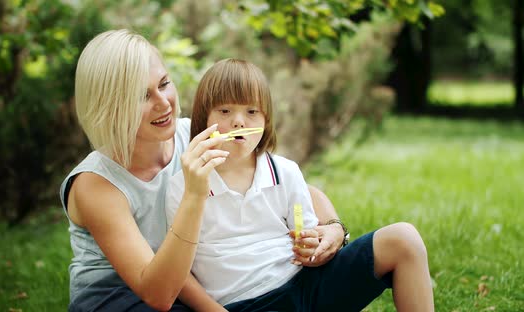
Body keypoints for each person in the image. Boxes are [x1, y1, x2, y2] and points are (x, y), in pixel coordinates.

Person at [59, 29, 344, 312]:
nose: (163, 103)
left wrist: (333, 229)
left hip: (186, 282)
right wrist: (195, 194)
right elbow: (158, 295)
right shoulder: (95, 184)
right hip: (119, 295)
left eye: (164, 84)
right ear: (109, 106)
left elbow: (287, 185)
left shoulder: (194, 136)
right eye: (142, 96)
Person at [165, 58, 435, 311]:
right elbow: (180, 272)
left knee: (404, 238)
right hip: (242, 304)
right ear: (204, 119)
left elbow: (310, 242)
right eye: (225, 110)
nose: (239, 121)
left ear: (266, 120)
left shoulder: (286, 172)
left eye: (251, 111)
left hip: (305, 287)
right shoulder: (185, 186)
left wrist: (315, 248)